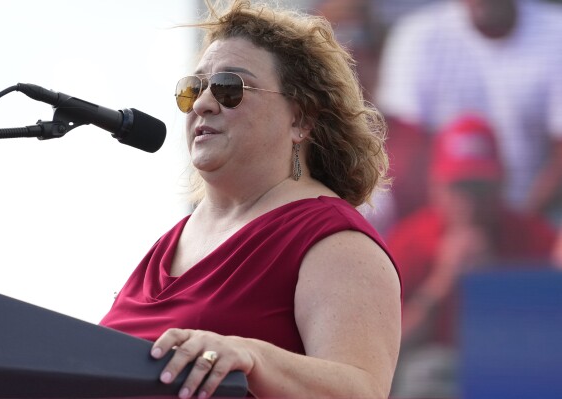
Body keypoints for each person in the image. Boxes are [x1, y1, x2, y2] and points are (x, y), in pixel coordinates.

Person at [100, 1, 402, 398]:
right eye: (193, 89)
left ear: (301, 119)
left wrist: (253, 357)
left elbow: (362, 391)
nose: (204, 104)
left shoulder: (336, 242)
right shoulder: (167, 244)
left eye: (228, 88)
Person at [387, 115, 557, 398]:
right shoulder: (409, 241)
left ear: (501, 185)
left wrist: (496, 285)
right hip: (435, 371)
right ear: (435, 187)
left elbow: (546, 346)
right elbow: (388, 349)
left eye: (480, 188)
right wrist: (441, 284)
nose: (470, 203)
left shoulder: (536, 239)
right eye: (459, 188)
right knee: (423, 375)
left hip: (513, 372)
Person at [376, 0, 562, 223]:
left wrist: (518, 227)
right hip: (443, 210)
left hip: (538, 212)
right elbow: (405, 147)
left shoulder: (555, 30)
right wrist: (453, 224)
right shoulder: (418, 35)